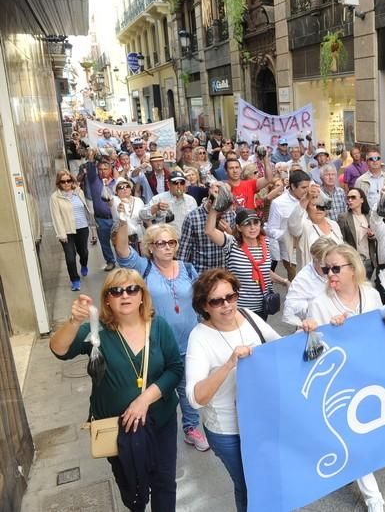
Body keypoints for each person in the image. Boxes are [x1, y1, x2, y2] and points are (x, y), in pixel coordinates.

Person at [50, 270, 183, 511]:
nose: (125, 295)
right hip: (116, 428)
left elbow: (175, 369)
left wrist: (144, 400)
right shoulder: (97, 330)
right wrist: (73, 322)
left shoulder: (158, 326)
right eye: (116, 291)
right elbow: (59, 350)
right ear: (107, 300)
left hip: (160, 421)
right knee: (132, 488)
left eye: (132, 289)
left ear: (142, 295)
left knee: (164, 482)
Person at [186, 269, 281, 512]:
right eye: (217, 301)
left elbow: (281, 348)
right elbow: (196, 398)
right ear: (204, 306)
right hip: (229, 431)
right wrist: (229, 364)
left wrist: (306, 332)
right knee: (249, 486)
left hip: (263, 420)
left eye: (231, 296)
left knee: (270, 479)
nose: (227, 305)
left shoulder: (247, 315)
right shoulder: (199, 337)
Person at [301, 245, 385, 512]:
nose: (330, 274)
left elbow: (383, 331)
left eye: (336, 268)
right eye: (326, 269)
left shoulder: (371, 295)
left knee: (366, 432)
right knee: (354, 436)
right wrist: (317, 331)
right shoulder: (319, 303)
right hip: (341, 382)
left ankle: (343, 462)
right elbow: (313, 352)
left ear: (353, 269)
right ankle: (374, 497)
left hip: (372, 374)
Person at [113, 219, 208, 452]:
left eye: (171, 242)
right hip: (155, 344)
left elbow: (201, 298)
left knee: (187, 389)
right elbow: (123, 250)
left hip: (188, 341)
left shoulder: (187, 268)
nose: (167, 247)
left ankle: (191, 428)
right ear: (150, 247)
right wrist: (123, 220)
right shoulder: (143, 267)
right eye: (161, 243)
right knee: (157, 390)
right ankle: (154, 431)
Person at [206, 207, 288, 319]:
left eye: (256, 222)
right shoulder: (232, 244)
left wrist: (284, 282)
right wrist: (214, 210)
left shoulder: (266, 244)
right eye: (247, 224)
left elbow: (264, 272)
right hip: (240, 309)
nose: (253, 227)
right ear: (239, 227)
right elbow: (209, 232)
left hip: (263, 307)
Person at [50, 170, 96, 291]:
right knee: (70, 257)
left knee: (84, 252)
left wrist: (92, 227)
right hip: (67, 231)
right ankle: (75, 280)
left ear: (72, 180)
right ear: (59, 183)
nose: (66, 183)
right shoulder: (55, 197)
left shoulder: (78, 192)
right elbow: (56, 216)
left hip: (82, 227)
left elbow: (86, 208)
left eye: (68, 180)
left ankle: (84, 264)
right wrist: (61, 233)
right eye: (63, 181)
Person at [177, 182, 237, 273]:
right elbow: (184, 252)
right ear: (210, 201)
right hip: (202, 273)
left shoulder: (230, 214)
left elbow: (239, 246)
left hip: (224, 273)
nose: (223, 212)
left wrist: (229, 231)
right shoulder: (193, 217)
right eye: (220, 210)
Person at [282, 237, 337, 327]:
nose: (330, 271)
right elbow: (289, 311)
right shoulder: (303, 279)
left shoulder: (337, 268)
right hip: (316, 327)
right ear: (315, 260)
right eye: (326, 266)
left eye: (334, 266)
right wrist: (315, 307)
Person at [267, 170, 312, 280]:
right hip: (291, 255)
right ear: (292, 186)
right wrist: (289, 237)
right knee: (297, 284)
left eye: (308, 187)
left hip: (311, 249)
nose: (307, 191)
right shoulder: (278, 203)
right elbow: (271, 229)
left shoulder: (311, 199)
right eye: (303, 187)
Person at [85, 156, 119, 271]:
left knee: (119, 241)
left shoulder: (117, 182)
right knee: (104, 242)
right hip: (101, 218)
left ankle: (122, 259)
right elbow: (90, 170)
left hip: (115, 218)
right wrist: (91, 159)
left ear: (110, 169)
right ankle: (110, 261)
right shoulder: (94, 181)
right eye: (100, 169)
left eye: (105, 168)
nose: (103, 171)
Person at [338, 187, 377, 279]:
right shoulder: (343, 217)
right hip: (354, 261)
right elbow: (341, 240)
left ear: (362, 199)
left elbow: (378, 237)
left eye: (353, 197)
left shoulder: (369, 216)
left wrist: (372, 236)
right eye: (348, 198)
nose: (350, 200)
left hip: (370, 261)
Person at [111, 178, 145, 253]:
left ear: (130, 188)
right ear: (116, 192)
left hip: (139, 237)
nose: (125, 189)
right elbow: (106, 197)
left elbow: (145, 218)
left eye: (127, 186)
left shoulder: (138, 200)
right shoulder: (115, 201)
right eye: (121, 187)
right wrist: (105, 185)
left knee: (142, 259)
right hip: (124, 238)